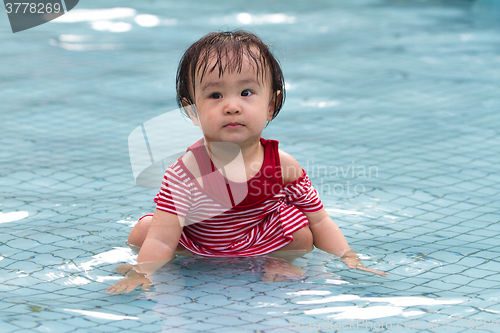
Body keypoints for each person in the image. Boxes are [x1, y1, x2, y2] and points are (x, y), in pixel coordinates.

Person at [106, 30, 387, 295]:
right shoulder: (187, 172)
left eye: (246, 93)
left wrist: (348, 257)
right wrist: (141, 272)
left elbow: (320, 219)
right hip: (200, 245)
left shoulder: (282, 165)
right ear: (192, 111)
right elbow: (161, 239)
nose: (232, 106)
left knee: (302, 232)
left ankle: (274, 262)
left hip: (262, 243)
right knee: (145, 231)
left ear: (271, 105)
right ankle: (198, 262)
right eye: (215, 95)